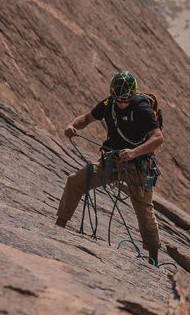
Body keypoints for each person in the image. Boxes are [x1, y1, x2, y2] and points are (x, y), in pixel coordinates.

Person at [56, 70, 164, 264]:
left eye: (126, 100)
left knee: (144, 211)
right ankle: (58, 227)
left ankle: (153, 258)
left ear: (132, 95)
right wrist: (72, 125)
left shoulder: (141, 107)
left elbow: (158, 138)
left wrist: (134, 152)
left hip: (138, 167)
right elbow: (87, 118)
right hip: (112, 162)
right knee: (75, 181)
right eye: (119, 100)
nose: (122, 103)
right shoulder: (108, 104)